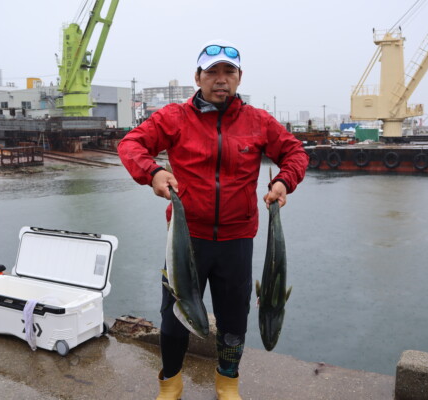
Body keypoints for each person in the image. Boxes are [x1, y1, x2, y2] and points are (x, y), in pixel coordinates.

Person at [118, 39, 308, 400]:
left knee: (234, 320)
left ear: (238, 79)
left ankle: (227, 384)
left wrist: (284, 180)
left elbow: (294, 152)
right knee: (174, 319)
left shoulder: (258, 121)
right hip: (187, 240)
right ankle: (170, 384)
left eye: (228, 72)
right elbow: (131, 145)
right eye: (212, 72)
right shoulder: (173, 117)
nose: (220, 79)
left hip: (237, 240)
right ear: (198, 77)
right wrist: (154, 173)